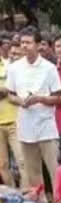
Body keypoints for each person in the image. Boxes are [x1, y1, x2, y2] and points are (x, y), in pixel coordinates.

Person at [7, 26, 61, 189]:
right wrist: (21, 101)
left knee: (54, 169)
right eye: (22, 43)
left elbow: (58, 96)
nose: (25, 46)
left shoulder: (49, 68)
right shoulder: (14, 68)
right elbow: (10, 95)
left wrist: (40, 99)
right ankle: (39, 201)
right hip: (25, 126)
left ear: (38, 45)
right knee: (32, 173)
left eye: (28, 42)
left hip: (46, 126)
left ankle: (59, 200)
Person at [0, 37, 21, 186]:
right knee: (2, 165)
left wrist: (5, 90)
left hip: (15, 120)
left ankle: (28, 193)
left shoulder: (10, 66)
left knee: (22, 161)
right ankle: (12, 194)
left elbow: (11, 89)